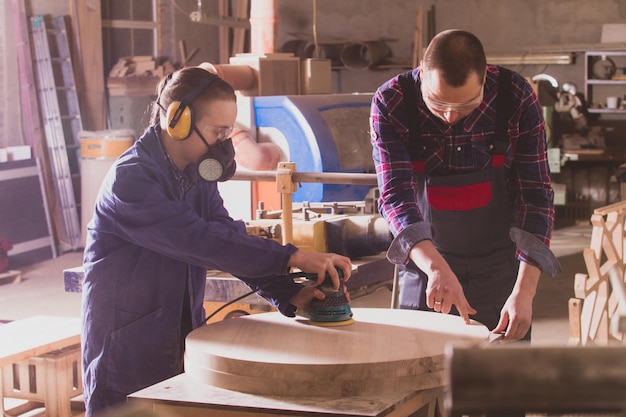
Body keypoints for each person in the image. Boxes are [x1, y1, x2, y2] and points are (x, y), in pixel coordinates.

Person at [81, 66, 352, 417]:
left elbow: (227, 237)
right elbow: (201, 241)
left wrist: (288, 292)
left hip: (181, 343)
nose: (224, 144)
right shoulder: (130, 181)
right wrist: (293, 255)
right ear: (176, 119)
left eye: (229, 132)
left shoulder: (197, 176)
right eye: (217, 132)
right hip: (126, 355)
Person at [370, 29, 561, 343]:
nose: (449, 116)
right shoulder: (393, 101)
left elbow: (536, 197)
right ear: (421, 75)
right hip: (426, 264)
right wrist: (435, 268)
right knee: (418, 373)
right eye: (437, 103)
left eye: (467, 105)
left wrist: (525, 292)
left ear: (486, 78)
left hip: (501, 268)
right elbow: (396, 197)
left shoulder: (515, 96)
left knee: (500, 380)